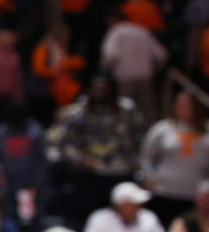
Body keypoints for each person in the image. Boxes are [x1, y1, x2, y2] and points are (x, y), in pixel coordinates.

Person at [48, 72, 145, 224]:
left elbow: (140, 137)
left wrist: (134, 160)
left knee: (122, 218)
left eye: (104, 88)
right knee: (86, 217)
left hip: (121, 171)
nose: (100, 92)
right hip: (90, 174)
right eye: (96, 88)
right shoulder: (79, 111)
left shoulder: (127, 109)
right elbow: (64, 143)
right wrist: (81, 160)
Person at [141, 91, 209, 227]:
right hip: (165, 189)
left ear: (196, 106)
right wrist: (149, 176)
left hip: (197, 193)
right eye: (179, 103)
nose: (182, 107)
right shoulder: (163, 128)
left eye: (187, 104)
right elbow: (146, 154)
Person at [100, 8, 167, 123]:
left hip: (125, 78)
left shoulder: (115, 32)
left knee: (125, 111)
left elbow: (111, 55)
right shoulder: (141, 30)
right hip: (145, 76)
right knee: (147, 111)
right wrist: (155, 69)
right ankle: (150, 132)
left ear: (112, 20)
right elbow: (162, 55)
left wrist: (104, 69)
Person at [82, 181, 165, 232]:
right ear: (121, 205)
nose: (139, 207)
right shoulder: (100, 219)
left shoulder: (149, 218)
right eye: (134, 204)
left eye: (140, 204)